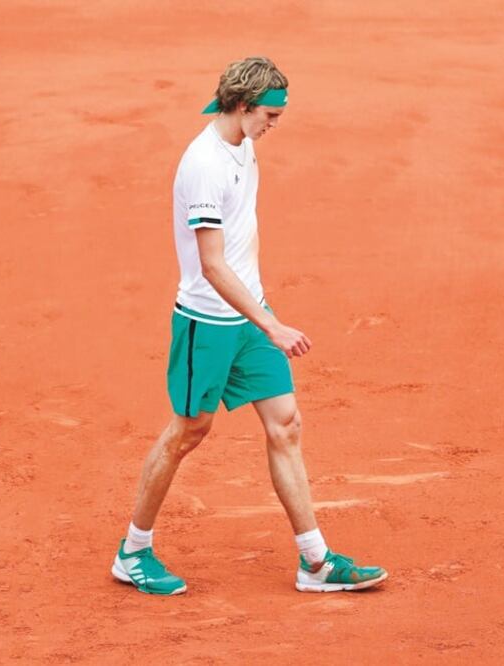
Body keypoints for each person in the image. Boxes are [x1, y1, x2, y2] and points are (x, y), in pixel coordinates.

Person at [110, 56, 386, 595]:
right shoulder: (204, 165)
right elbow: (211, 264)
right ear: (240, 107)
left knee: (286, 424)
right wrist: (273, 324)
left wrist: (259, 311)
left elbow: (242, 239)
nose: (273, 124)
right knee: (188, 431)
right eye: (269, 114)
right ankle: (133, 551)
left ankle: (315, 561)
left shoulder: (243, 142)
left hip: (249, 318)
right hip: (207, 323)